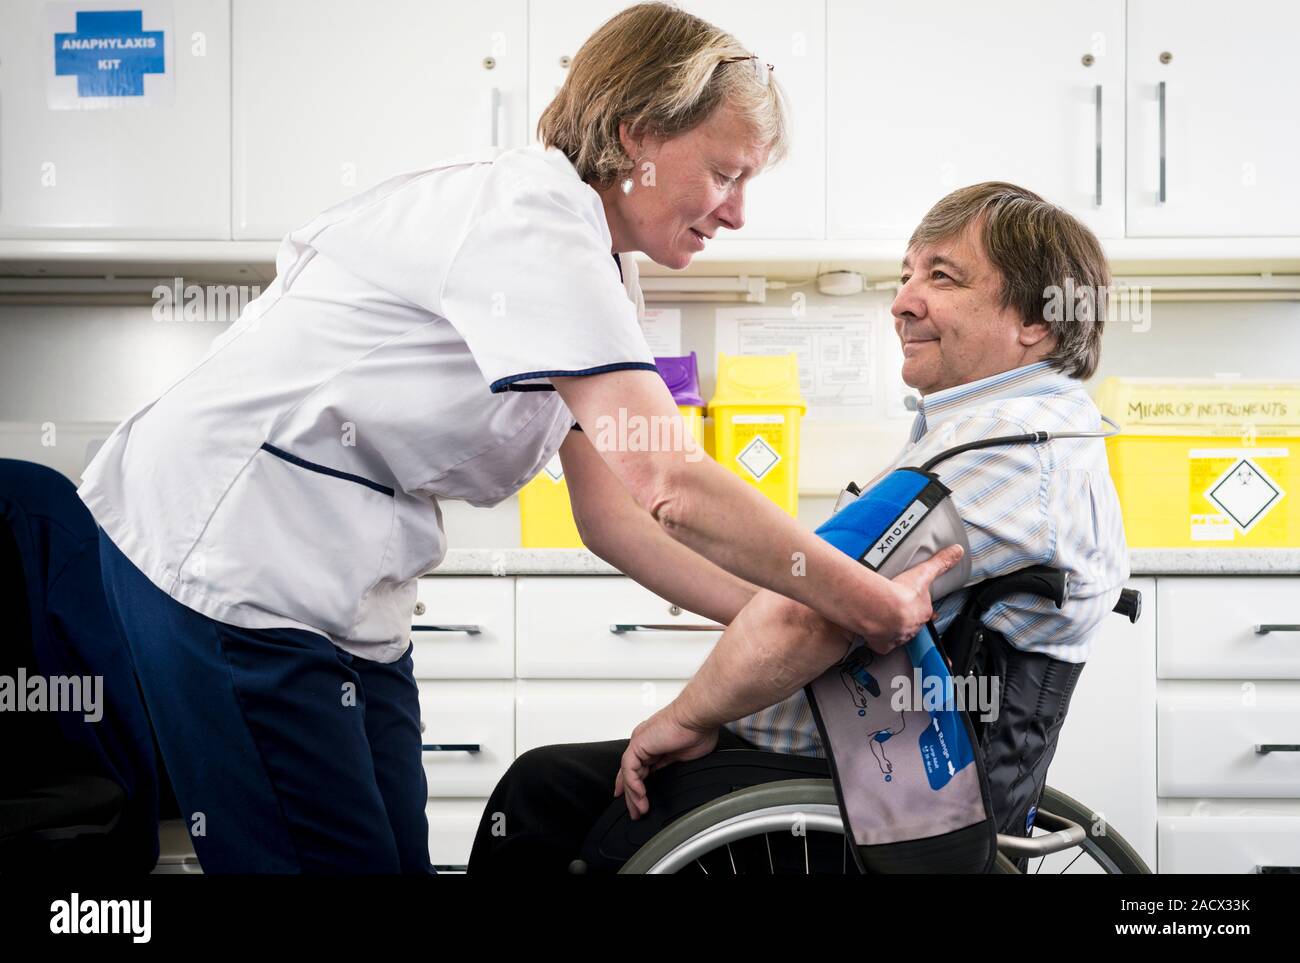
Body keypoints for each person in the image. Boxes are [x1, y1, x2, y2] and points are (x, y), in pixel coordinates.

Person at [77, 2, 957, 874]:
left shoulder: (600, 271)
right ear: (637, 134)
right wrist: (863, 603)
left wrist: (786, 621)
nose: (735, 215)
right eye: (726, 173)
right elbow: (669, 480)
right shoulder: (531, 219)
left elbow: (616, 517)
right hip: (229, 546)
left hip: (340, 581)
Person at [468, 181, 1130, 873]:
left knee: (543, 802)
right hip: (857, 777)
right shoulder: (1030, 435)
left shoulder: (997, 452)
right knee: (549, 788)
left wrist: (683, 718)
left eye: (941, 275)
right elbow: (801, 591)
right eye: (906, 274)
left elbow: (805, 620)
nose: (903, 300)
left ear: (1037, 322)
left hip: (845, 801)